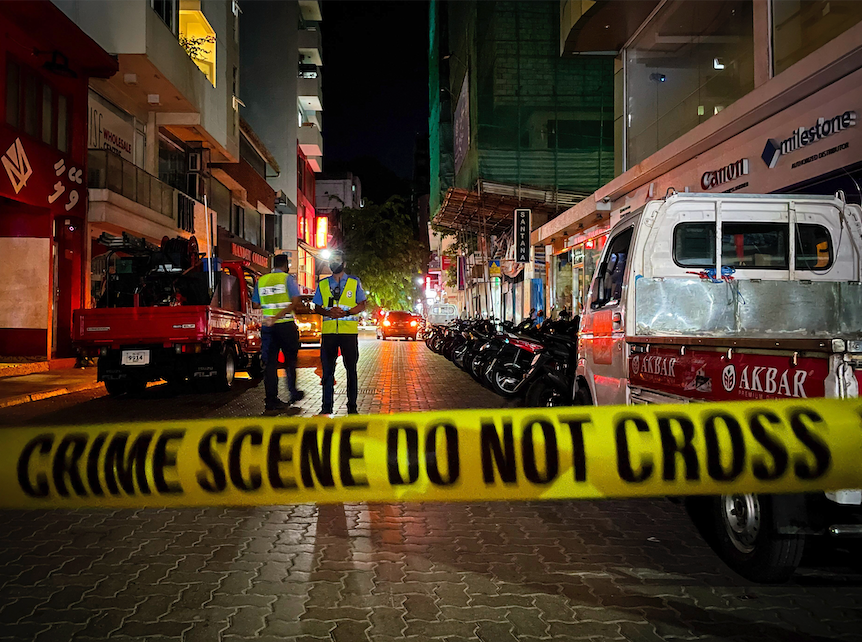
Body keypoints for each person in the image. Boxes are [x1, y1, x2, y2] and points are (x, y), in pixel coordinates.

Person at [312, 250, 367, 415]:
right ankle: (326, 407)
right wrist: (329, 313)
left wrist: (347, 313)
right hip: (329, 334)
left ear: (344, 263)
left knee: (351, 370)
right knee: (327, 371)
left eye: (338, 260)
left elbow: (362, 304)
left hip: (348, 334)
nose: (334, 263)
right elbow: (317, 306)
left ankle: (352, 407)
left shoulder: (354, 282)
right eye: (332, 260)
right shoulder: (322, 284)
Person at [253, 254, 304, 412]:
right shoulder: (287, 279)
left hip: (268, 327)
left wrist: (271, 313)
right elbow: (295, 301)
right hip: (285, 325)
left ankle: (271, 400)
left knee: (270, 364)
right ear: (286, 265)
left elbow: (255, 304)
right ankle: (293, 393)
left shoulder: (261, 280)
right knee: (290, 360)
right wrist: (278, 315)